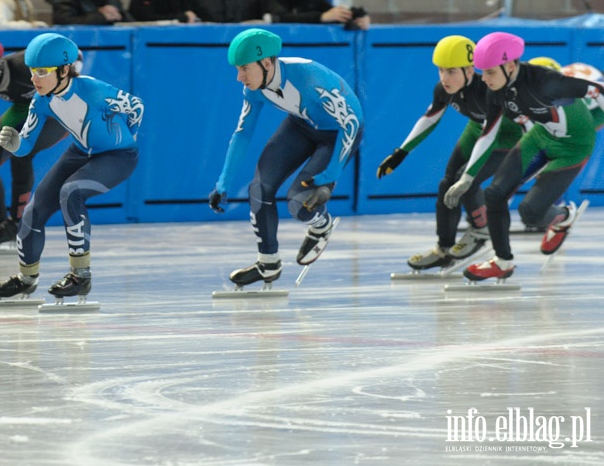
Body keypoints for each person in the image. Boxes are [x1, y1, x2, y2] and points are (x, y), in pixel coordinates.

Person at [0, 33, 143, 300]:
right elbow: (26, 144)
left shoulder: (92, 90)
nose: (34, 78)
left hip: (117, 156)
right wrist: (14, 145)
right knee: (33, 210)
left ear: (65, 69)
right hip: (80, 152)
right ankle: (27, 277)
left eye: (42, 72)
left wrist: (128, 139)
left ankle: (81, 276)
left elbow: (136, 107)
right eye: (32, 71)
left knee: (71, 192)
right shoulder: (41, 100)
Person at [208, 28, 363, 288]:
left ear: (266, 62)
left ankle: (321, 225)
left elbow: (352, 122)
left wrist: (330, 177)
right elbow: (243, 133)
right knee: (259, 187)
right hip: (301, 126)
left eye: (244, 68)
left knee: (300, 204)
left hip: (338, 134)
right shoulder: (253, 88)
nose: (239, 77)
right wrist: (223, 180)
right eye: (237, 69)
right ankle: (268, 263)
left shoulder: (310, 78)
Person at [443, 32, 604, 281]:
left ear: (509, 66)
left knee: (530, 213)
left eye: (490, 72)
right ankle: (503, 262)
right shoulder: (495, 90)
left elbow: (596, 91)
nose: (483, 79)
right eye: (481, 72)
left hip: (574, 146)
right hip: (540, 137)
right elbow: (488, 134)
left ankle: (563, 217)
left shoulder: (546, 82)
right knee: (494, 194)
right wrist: (467, 176)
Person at [377, 36, 523, 271]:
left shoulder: (488, 90)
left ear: (469, 70)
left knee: (465, 180)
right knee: (447, 184)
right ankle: (443, 248)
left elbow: (489, 136)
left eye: (451, 72)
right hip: (478, 128)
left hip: (507, 136)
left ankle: (479, 229)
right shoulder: (444, 89)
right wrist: (401, 152)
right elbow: (430, 118)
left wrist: (467, 176)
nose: (445, 78)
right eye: (441, 71)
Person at [0, 34, 66, 245]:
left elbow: (70, 54)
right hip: (26, 108)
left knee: (21, 151)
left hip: (58, 114)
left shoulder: (23, 65)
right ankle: (0, 225)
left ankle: (18, 223)